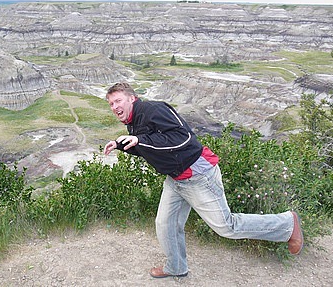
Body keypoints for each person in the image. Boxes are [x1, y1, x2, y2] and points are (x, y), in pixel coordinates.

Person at [103, 82, 304, 279]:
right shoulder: (133, 121)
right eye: (111, 104)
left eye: (118, 100)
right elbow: (152, 146)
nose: (115, 107)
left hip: (198, 174)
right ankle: (176, 267)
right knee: (166, 224)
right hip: (176, 178)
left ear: (132, 98)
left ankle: (287, 224)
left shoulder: (153, 110)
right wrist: (120, 145)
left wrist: (141, 140)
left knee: (227, 226)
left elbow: (183, 138)